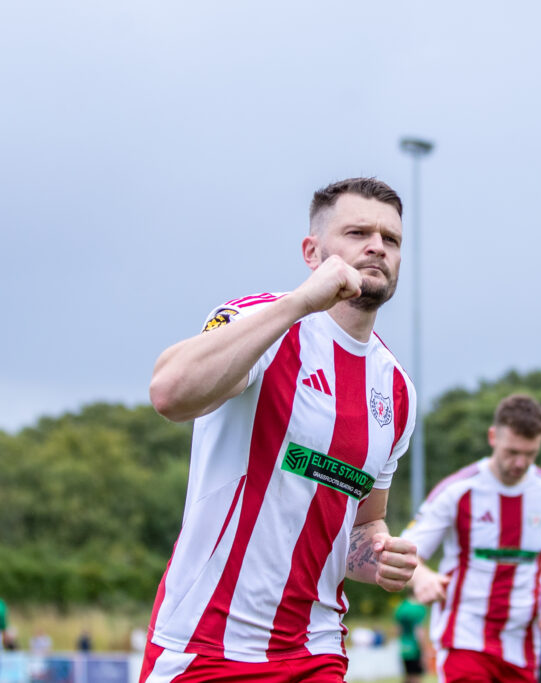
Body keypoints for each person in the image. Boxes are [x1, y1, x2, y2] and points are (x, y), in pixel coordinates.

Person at [140, 177, 420, 682]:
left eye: (391, 239)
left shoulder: (397, 389)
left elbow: (362, 526)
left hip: (315, 653)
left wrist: (378, 560)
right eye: (358, 232)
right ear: (312, 252)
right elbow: (169, 392)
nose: (377, 246)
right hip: (205, 646)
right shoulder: (260, 323)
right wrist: (299, 303)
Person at [402, 394, 541, 683]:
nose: (520, 462)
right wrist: (422, 577)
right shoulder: (457, 490)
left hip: (523, 644)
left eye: (530, 454)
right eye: (512, 452)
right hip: (465, 638)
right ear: (493, 436)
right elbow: (405, 551)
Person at [394, 593, 431, 683]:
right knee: (416, 678)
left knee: (408, 677)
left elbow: (398, 631)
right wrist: (424, 651)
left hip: (404, 648)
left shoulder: (401, 607)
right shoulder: (418, 608)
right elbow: (419, 632)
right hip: (415, 649)